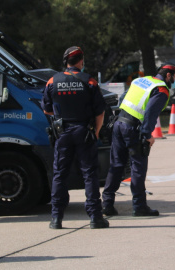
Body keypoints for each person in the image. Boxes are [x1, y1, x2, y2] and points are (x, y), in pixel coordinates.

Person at [41, 46, 109, 229]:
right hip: (84, 132)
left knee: (60, 175)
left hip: (62, 133)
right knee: (89, 174)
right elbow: (100, 111)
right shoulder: (90, 82)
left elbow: (46, 109)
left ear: (66, 62)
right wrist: (96, 131)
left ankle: (56, 219)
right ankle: (95, 217)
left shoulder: (52, 81)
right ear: (81, 61)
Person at [102, 63, 175, 217]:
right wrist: (147, 136)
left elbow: (124, 98)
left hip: (119, 123)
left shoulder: (141, 80)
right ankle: (139, 206)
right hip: (134, 129)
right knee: (138, 168)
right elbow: (150, 114)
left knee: (116, 165)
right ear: (168, 75)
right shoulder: (161, 90)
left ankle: (107, 204)